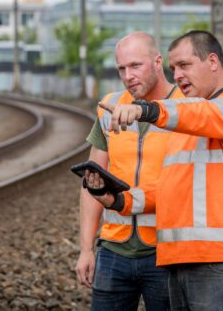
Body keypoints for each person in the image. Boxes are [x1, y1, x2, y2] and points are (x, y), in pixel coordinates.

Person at [94, 30, 223, 310]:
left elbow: (204, 113)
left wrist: (147, 111)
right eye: (173, 68)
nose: (177, 75)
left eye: (185, 65)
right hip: (181, 263)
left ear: (212, 61)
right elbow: (169, 189)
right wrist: (119, 200)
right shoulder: (186, 131)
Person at [75, 31, 182, 311]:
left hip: (167, 252)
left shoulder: (185, 108)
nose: (128, 75)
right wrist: (86, 248)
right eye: (122, 68)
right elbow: (91, 183)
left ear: (158, 62)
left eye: (136, 66)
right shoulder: (110, 108)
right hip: (113, 251)